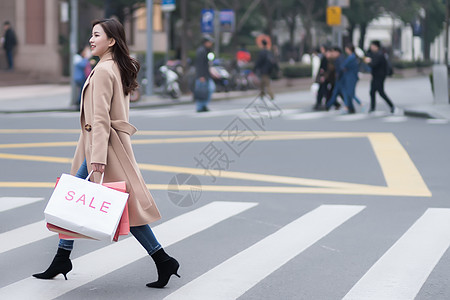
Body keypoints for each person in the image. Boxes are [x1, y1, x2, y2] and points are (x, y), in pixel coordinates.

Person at [32, 19, 180, 289]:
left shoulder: (103, 71)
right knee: (96, 203)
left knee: (75, 200)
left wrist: (97, 159)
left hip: (102, 148)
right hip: (107, 146)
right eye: (91, 34)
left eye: (96, 35)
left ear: (111, 41)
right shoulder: (116, 67)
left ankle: (162, 259)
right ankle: (63, 258)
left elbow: (100, 119)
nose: (91, 39)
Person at [364, 40, 396, 113]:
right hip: (376, 76)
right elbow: (368, 55)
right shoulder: (375, 54)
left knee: (380, 92)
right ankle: (373, 107)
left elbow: (373, 64)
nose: (371, 47)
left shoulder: (379, 55)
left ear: (376, 47)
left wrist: (368, 62)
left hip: (379, 76)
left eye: (372, 46)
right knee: (372, 92)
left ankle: (391, 106)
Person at [326, 47, 354, 113]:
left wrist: (338, 75)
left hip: (341, 79)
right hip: (341, 79)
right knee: (339, 93)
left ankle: (328, 106)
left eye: (334, 52)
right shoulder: (340, 58)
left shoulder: (340, 59)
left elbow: (342, 68)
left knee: (340, 93)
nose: (333, 54)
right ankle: (349, 107)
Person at [194, 35, 215, 112]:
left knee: (209, 89)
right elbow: (200, 65)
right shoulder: (201, 51)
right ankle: (200, 107)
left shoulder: (207, 51)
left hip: (206, 75)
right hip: (202, 76)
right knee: (201, 91)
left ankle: (204, 105)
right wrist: (201, 76)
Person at [341, 44, 359, 112]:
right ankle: (350, 107)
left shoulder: (351, 57)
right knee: (349, 93)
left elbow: (343, 65)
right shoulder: (352, 57)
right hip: (350, 76)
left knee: (350, 93)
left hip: (351, 77)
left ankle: (351, 107)